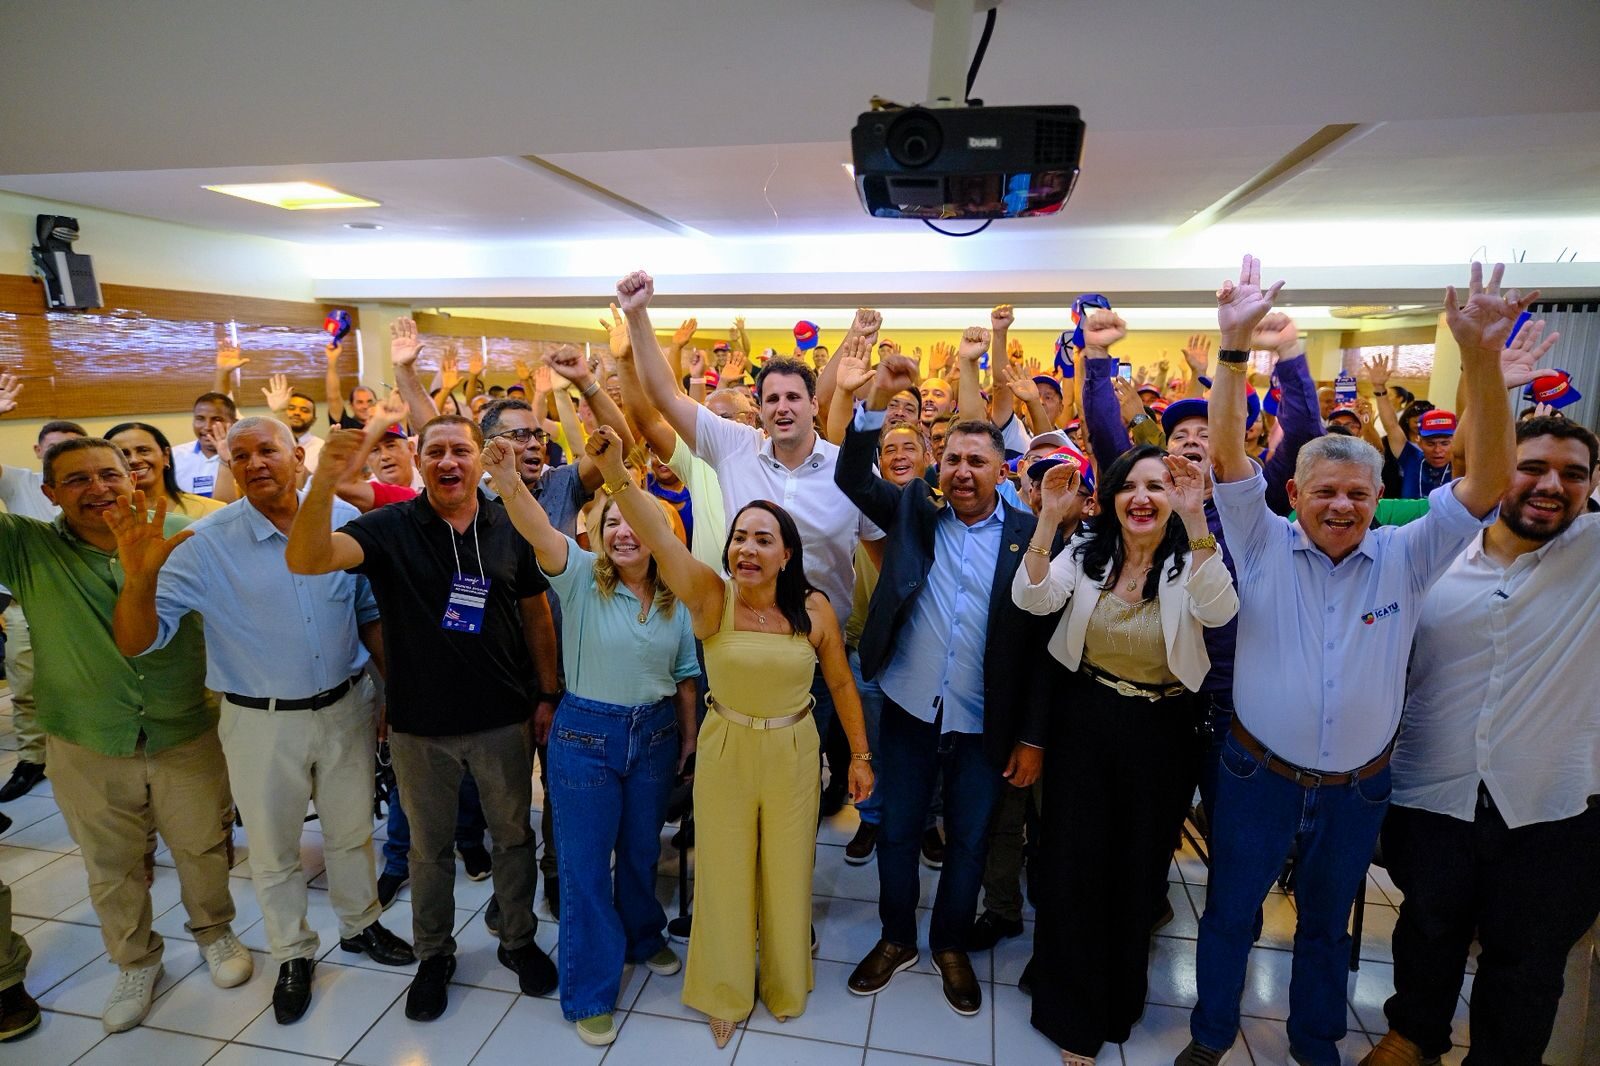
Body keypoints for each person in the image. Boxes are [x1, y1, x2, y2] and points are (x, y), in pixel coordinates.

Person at [1177, 258, 1520, 1066]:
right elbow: (1227, 454)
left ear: (1377, 501)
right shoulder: (1258, 541)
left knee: (1329, 926)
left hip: (1357, 786)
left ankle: (1315, 1042)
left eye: (1357, 496)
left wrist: (1479, 359)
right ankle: (1212, 1033)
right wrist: (1234, 346)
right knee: (1231, 911)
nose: (1341, 506)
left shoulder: (1409, 554)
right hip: (1256, 774)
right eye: (1324, 491)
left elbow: (1492, 477)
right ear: (1293, 495)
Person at [107, 416, 415, 1025]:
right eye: (239, 455)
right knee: (273, 850)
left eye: (266, 450)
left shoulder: (341, 522)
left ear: (298, 456)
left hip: (347, 705)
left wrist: (392, 694)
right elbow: (136, 643)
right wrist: (139, 583)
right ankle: (293, 953)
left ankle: (360, 925)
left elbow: (368, 614)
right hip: (260, 722)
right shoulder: (206, 542)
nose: (253, 464)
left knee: (353, 830)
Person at [584, 422, 872, 1046]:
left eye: (762, 540)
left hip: (795, 748)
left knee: (789, 868)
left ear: (787, 554)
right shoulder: (711, 597)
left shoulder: (815, 609)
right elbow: (659, 536)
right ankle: (724, 988)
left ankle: (785, 983)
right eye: (739, 537)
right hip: (726, 748)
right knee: (724, 869)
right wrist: (615, 475)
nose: (746, 548)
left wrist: (861, 756)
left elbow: (843, 688)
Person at [285, 416, 561, 1022]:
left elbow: (538, 613)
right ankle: (435, 954)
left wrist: (547, 693)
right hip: (419, 725)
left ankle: (518, 939)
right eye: (434, 451)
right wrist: (323, 484)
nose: (448, 462)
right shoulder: (388, 527)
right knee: (428, 850)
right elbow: (307, 560)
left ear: (479, 459)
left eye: (460, 450)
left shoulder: (510, 523)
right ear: (419, 458)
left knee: (514, 837)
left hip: (503, 717)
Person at [1365, 404, 1600, 1066]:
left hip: (1555, 806)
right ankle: (1413, 1034)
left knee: (1527, 960)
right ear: (1499, 471)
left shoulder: (1595, 554)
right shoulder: (1431, 559)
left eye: (1572, 473)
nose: (1552, 484)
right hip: (1434, 793)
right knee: (1428, 928)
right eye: (1531, 467)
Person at [0, 436, 249, 1033]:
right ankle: (136, 961)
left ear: (134, 478)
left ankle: (215, 933)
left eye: (110, 474)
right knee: (110, 863)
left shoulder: (185, 533)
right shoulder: (27, 547)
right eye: (77, 480)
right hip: (86, 737)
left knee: (201, 847)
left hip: (184, 726)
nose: (99, 489)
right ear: (49, 494)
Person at [835, 350, 1052, 1018]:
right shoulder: (913, 510)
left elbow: (1043, 649)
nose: (962, 471)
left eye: (976, 461)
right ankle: (897, 937)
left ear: (1000, 471)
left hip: (984, 721)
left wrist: (1032, 738)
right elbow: (850, 473)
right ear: (940, 464)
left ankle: (950, 943)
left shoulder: (1028, 535)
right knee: (899, 832)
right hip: (906, 709)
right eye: (953, 459)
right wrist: (870, 398)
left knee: (970, 840)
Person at [1014, 445, 1237, 1063]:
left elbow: (1221, 610)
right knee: (1073, 862)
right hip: (1084, 719)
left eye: (1159, 486)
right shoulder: (1087, 552)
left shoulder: (1191, 557)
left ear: (1178, 497)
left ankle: (1118, 997)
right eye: (1129, 486)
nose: (1142, 498)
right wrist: (1047, 523)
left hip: (1163, 730)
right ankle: (1071, 1012)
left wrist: (1197, 524)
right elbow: (1032, 599)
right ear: (1110, 496)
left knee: (1137, 868)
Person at [617, 270, 883, 767]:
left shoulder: (849, 470)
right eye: (772, 399)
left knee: (802, 773)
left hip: (816, 653)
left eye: (793, 397)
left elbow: (879, 554)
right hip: (736, 641)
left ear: (814, 404)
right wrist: (637, 315)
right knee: (736, 764)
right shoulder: (732, 446)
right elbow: (664, 395)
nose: (782, 408)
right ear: (759, 409)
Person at [483, 433, 697, 1047]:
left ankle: (643, 937)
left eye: (637, 520)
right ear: (596, 533)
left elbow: (684, 677)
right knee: (582, 870)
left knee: (637, 854)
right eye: (612, 521)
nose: (625, 531)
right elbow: (536, 530)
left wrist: (687, 740)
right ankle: (590, 990)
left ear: (661, 531)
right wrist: (508, 481)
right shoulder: (577, 576)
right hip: (585, 736)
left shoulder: (674, 597)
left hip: (654, 737)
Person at [0, 378, 85, 802]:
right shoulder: (18, 481)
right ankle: (33, 758)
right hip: (25, 605)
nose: (60, 453)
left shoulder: (92, 487)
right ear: (38, 451)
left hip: (82, 601)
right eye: (52, 447)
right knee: (26, 684)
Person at [1368, 353, 1455, 499]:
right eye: (1430, 443)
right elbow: (1392, 426)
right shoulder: (1412, 459)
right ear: (1419, 441)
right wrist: (1379, 388)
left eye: (1445, 443)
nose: (1438, 450)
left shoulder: (1464, 465)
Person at [106, 422, 227, 519]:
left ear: (166, 456)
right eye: (123, 454)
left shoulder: (210, 511)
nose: (134, 460)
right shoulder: (104, 516)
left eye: (143, 450)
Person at [173, 392, 237, 496]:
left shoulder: (245, 457)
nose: (207, 426)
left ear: (233, 423)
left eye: (216, 419)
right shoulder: (174, 456)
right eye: (200, 419)